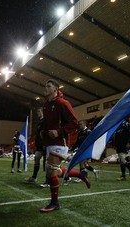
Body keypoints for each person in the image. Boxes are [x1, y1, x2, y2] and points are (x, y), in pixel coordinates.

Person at [40, 79, 90, 213]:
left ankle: (54, 203)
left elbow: (74, 123)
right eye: (45, 85)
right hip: (50, 143)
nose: (45, 87)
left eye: (48, 86)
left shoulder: (63, 103)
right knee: (55, 171)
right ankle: (80, 175)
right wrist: (44, 139)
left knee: (50, 171)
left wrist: (58, 131)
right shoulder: (45, 105)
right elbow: (46, 125)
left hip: (60, 143)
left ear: (56, 89)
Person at [25, 108, 49, 187]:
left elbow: (45, 133)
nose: (37, 113)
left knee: (47, 163)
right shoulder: (40, 122)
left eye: (39, 111)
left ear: (43, 112)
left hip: (45, 145)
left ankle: (48, 181)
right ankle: (34, 177)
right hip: (39, 145)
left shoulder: (46, 121)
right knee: (37, 158)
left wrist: (44, 143)